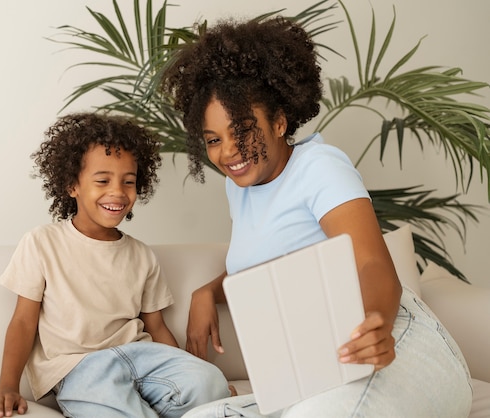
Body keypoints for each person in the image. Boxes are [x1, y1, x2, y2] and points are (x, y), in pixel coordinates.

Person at [160, 16, 473, 417]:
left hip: (392, 339)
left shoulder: (318, 166)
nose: (228, 152)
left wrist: (377, 319)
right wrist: (208, 292)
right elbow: (269, 263)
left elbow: (373, 262)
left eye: (242, 131)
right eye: (214, 140)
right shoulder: (238, 189)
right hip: (318, 368)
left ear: (278, 122)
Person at [0, 113, 231, 418]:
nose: (117, 192)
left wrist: (191, 375)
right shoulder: (42, 243)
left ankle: (207, 404)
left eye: (128, 182)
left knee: (210, 381)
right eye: (102, 180)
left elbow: (156, 327)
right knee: (109, 403)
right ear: (72, 185)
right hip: (79, 366)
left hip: (141, 354)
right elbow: (23, 323)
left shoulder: (141, 255)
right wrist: (7, 386)